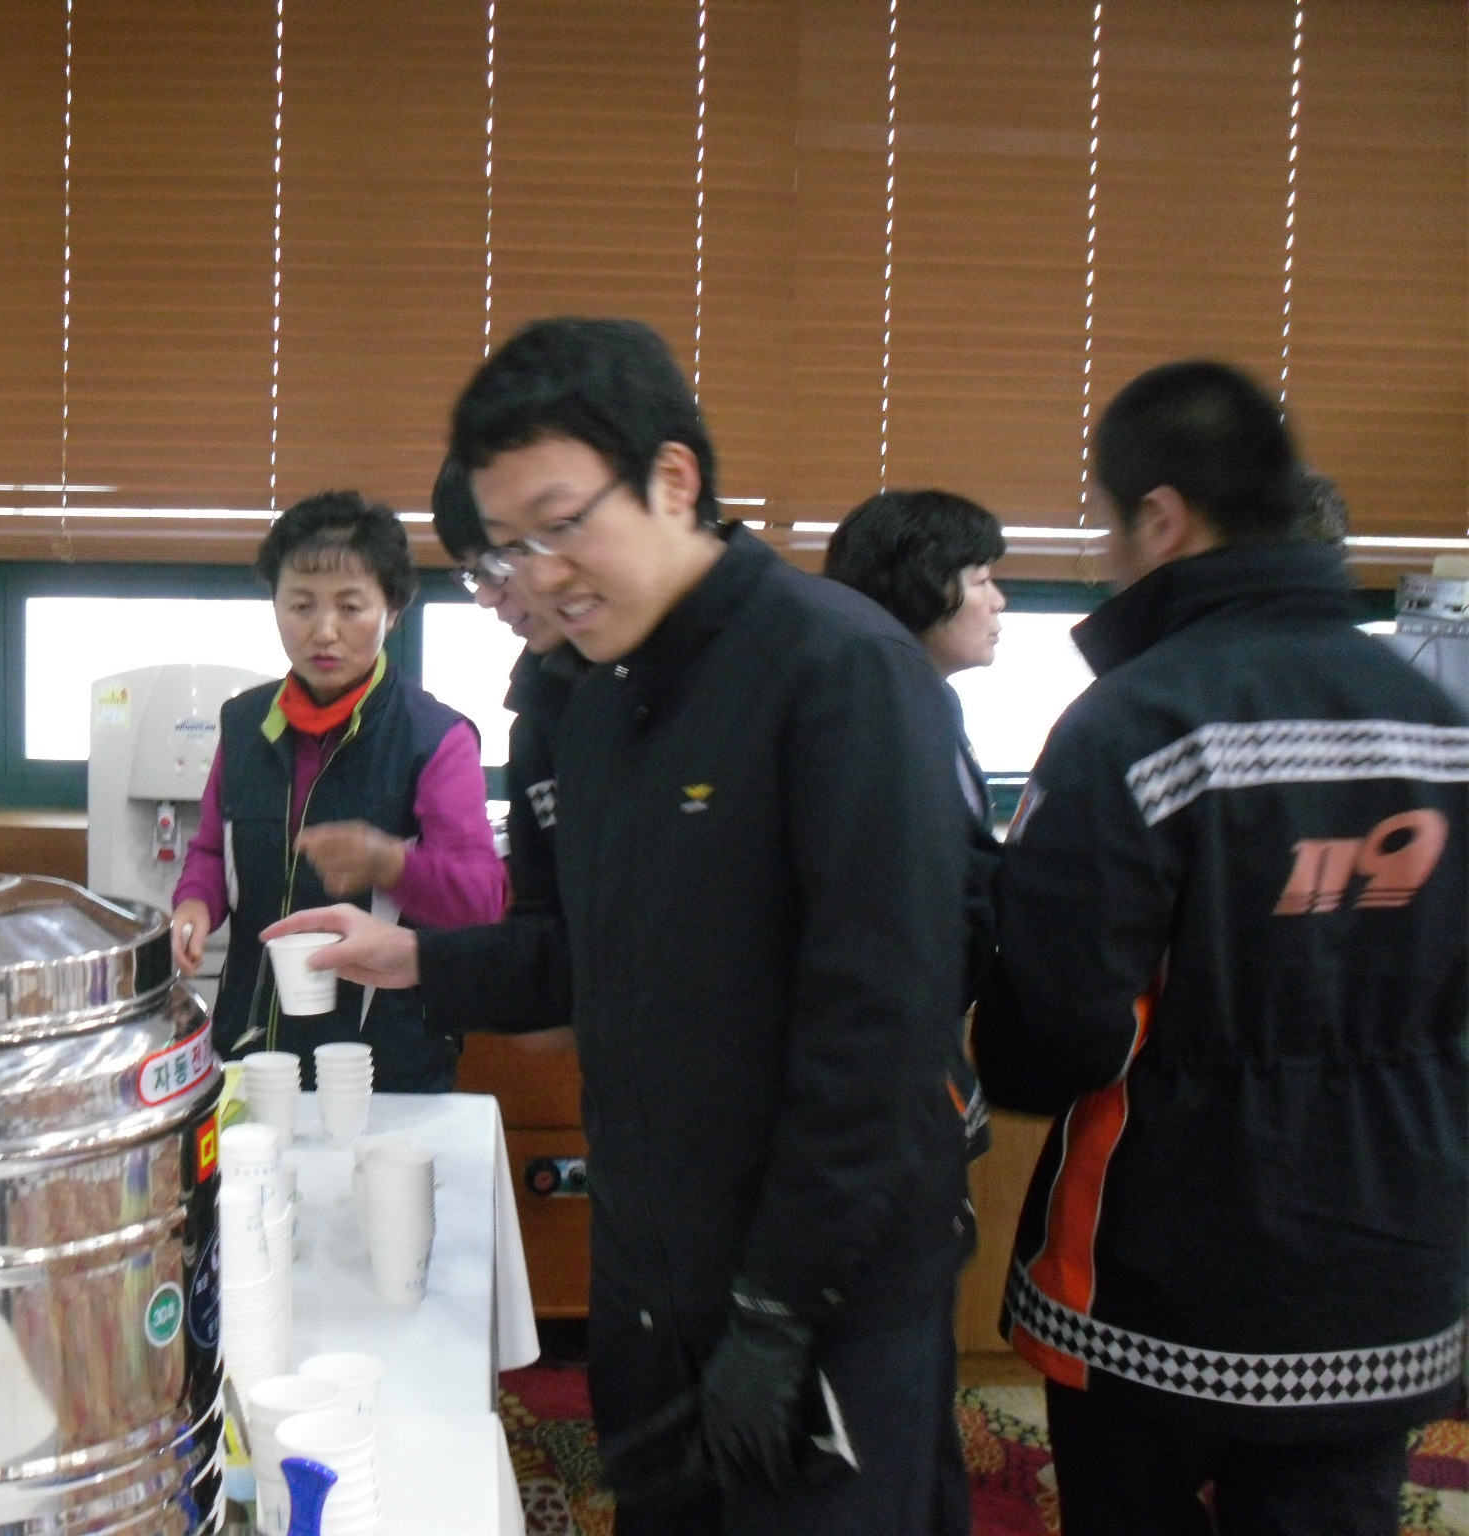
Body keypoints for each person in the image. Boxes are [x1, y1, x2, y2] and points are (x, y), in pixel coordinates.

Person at [267, 319, 977, 1533]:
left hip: (820, 1288)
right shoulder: (594, 708)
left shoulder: (838, 671)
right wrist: (413, 957)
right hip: (652, 1267)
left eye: (559, 524)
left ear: (672, 480)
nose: (536, 576)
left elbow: (878, 1040)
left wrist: (778, 1311)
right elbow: (586, 960)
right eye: (505, 548)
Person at [973, 361, 1468, 1534]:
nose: (1102, 561)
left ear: (1160, 517)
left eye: (1108, 528)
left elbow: (1056, 1033)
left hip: (1164, 1265)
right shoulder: (1442, 726)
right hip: (1388, 1259)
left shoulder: (1134, 725)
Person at [169, 490, 506, 1091]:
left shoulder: (435, 738)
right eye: (301, 605)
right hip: (252, 1049)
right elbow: (213, 850)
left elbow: (482, 901)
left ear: (392, 611)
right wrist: (195, 903)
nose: (324, 632)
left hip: (386, 1063)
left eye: (351, 607)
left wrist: (389, 863)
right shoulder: (245, 724)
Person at [823, 487, 1008, 1535]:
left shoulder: (920, 700)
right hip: (891, 1096)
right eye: (979, 577)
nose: (997, 600)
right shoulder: (890, 705)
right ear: (922, 583)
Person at [430, 456, 586, 927]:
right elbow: (542, 922)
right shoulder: (537, 721)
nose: (484, 596)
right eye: (473, 574)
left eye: (494, 565)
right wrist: (414, 956)